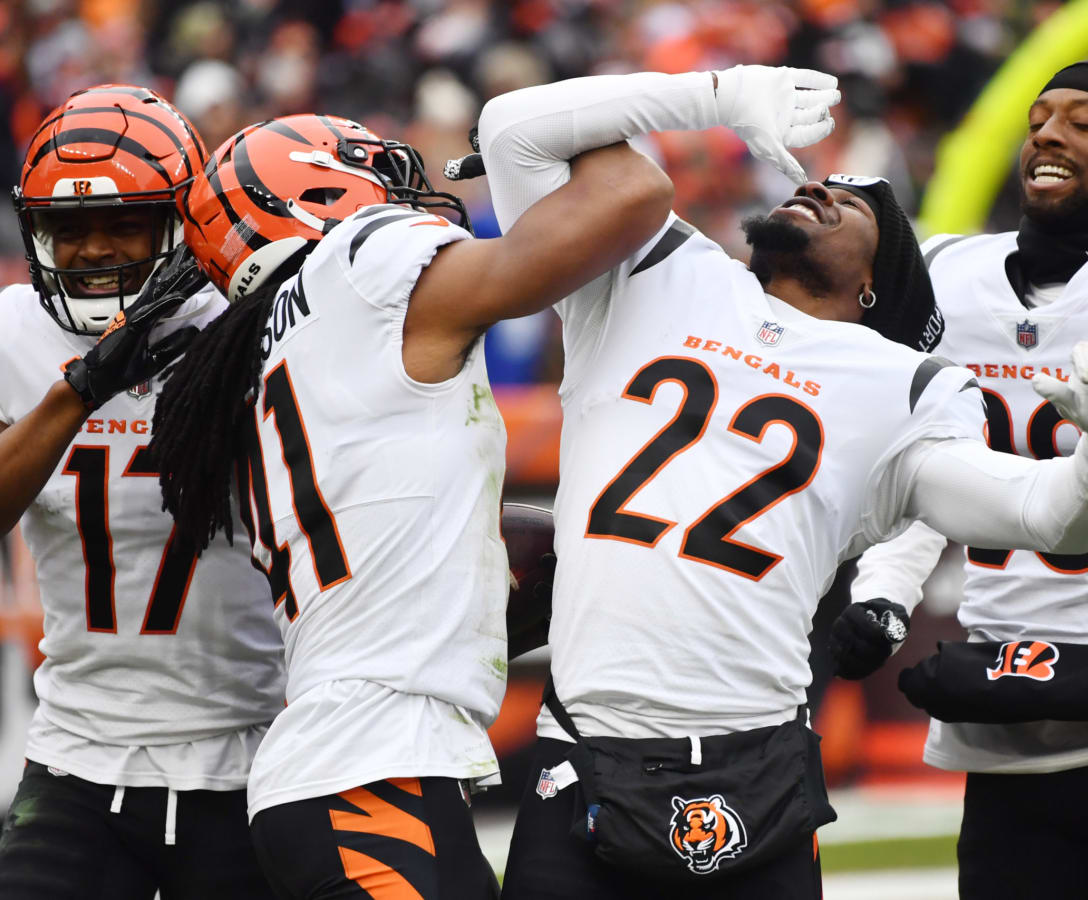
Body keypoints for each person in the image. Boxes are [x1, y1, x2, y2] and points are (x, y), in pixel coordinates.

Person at [471, 66, 1088, 899]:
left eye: (854, 204)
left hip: (758, 761)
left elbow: (1052, 518)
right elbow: (513, 126)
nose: (819, 191)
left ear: (878, 286)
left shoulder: (906, 385)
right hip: (585, 748)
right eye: (819, 183)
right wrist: (717, 96)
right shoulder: (659, 271)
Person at [144, 102, 712, 898]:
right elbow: (631, 195)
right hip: (369, 771)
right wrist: (544, 128)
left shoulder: (264, 355)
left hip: (355, 762)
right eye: (373, 174)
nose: (402, 199)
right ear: (314, 198)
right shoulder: (360, 268)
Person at [833, 58, 1088, 899]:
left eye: (1084, 120)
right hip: (1000, 712)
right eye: (1039, 116)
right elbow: (926, 462)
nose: (1047, 133)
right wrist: (884, 587)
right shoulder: (950, 273)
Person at [0, 84, 285, 899]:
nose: (94, 249)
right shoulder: (14, 330)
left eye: (124, 221)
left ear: (181, 222)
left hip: (251, 759)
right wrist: (78, 392)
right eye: (68, 227)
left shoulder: (252, 322)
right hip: (77, 758)